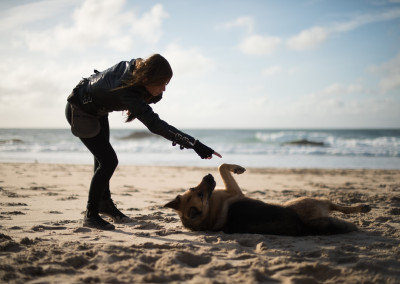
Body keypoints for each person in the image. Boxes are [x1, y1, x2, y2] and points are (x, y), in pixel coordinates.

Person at [65, 54, 222, 230]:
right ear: (148, 78)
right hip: (80, 111)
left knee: (102, 160)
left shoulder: (138, 75)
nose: (164, 89)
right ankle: (90, 215)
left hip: (98, 111)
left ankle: (104, 203)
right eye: (163, 83)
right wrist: (195, 144)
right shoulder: (127, 91)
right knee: (109, 161)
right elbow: (155, 124)